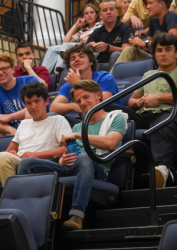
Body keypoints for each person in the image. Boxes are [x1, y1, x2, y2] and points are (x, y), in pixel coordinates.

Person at [18, 80, 128, 231]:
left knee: (85, 157)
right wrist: (63, 160)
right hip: (74, 167)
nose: (82, 103)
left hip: (99, 169)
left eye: (85, 97)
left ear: (98, 95)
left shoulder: (115, 118)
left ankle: (77, 215)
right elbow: (67, 152)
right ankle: (25, 214)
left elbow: (110, 143)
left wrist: (78, 135)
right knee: (27, 163)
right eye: (78, 100)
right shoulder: (78, 125)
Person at [128, 32, 177, 188]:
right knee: (112, 110)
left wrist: (158, 97)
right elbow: (131, 101)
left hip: (169, 113)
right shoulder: (148, 74)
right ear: (154, 55)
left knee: (161, 124)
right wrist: (139, 102)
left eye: (168, 50)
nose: (163, 54)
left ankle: (162, 170)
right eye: (159, 50)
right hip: (143, 115)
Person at [0, 82, 71, 185]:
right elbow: (8, 151)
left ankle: (12, 197)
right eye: (28, 103)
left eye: (37, 101)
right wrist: (12, 154)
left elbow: (67, 149)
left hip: (42, 164)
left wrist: (36, 155)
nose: (33, 107)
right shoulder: (24, 123)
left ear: (47, 101)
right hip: (17, 162)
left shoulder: (58, 120)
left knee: (10, 159)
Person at [49, 43, 121, 126]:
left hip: (109, 120)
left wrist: (77, 83)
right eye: (72, 58)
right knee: (53, 116)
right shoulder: (68, 85)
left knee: (87, 107)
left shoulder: (105, 77)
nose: (76, 59)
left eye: (81, 56)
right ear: (70, 66)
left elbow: (100, 104)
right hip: (83, 122)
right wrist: (74, 106)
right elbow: (53, 108)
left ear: (90, 62)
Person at [112, 0, 177, 68]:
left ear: (162, 4)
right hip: (157, 56)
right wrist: (138, 45)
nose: (147, 7)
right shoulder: (153, 20)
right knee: (129, 49)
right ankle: (111, 78)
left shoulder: (171, 16)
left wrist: (145, 43)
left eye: (150, 3)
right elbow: (149, 48)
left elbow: (172, 41)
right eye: (147, 3)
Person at [0, 53, 40, 136]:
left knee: (29, 114)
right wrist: (11, 130)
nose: (0, 73)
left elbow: (36, 106)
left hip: (39, 126)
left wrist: (10, 117)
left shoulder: (29, 80)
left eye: (4, 68)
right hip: (13, 131)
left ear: (13, 69)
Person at [41, 4, 102, 73]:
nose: (89, 15)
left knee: (64, 49)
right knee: (52, 48)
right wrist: (76, 25)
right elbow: (65, 42)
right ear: (84, 17)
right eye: (86, 13)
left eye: (92, 12)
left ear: (97, 15)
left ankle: (58, 72)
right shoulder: (83, 31)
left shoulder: (101, 24)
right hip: (78, 48)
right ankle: (43, 73)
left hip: (89, 48)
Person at [86, 0, 134, 71]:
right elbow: (85, 50)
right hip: (99, 65)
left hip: (120, 65)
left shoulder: (126, 28)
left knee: (116, 55)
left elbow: (127, 51)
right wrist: (90, 47)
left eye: (111, 9)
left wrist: (108, 47)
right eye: (104, 10)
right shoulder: (97, 32)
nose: (108, 12)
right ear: (100, 15)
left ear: (117, 12)